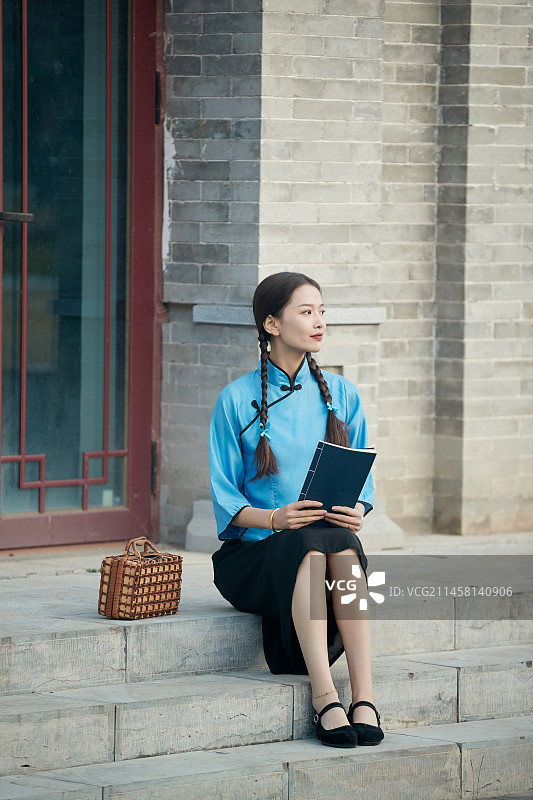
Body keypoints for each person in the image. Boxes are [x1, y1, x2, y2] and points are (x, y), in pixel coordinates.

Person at [209, 271, 384, 749]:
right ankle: (324, 695)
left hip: (324, 541)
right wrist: (275, 518)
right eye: (306, 312)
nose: (319, 322)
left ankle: (364, 694)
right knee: (311, 544)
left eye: (322, 312)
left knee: (343, 542)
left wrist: (359, 510)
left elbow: (363, 474)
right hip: (254, 555)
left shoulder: (343, 395)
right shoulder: (235, 400)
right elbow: (224, 499)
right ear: (271, 323)